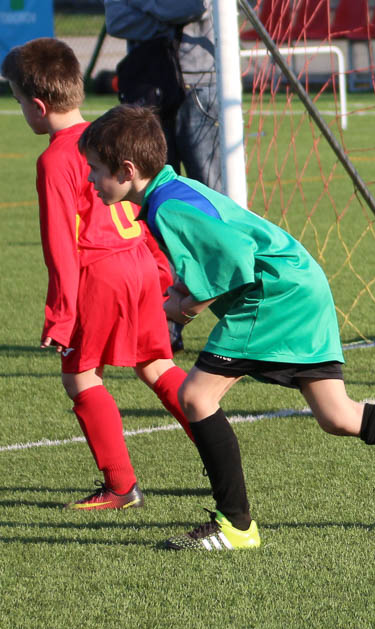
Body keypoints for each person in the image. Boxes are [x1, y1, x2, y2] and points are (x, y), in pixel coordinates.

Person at [79, 105, 375, 551]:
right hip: (300, 286)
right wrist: (181, 296)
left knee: (195, 397)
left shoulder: (168, 207)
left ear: (127, 170)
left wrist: (186, 307)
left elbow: (235, 259)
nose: (90, 178)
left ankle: (235, 525)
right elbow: (216, 251)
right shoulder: (172, 192)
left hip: (274, 297)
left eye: (96, 169)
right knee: (338, 416)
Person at [1, 38, 195, 509]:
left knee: (81, 376)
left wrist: (60, 315)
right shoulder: (108, 135)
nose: (21, 109)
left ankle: (120, 486)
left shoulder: (55, 160)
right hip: (140, 263)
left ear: (38, 106)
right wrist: (160, 268)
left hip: (100, 275)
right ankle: (219, 451)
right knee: (157, 366)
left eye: (19, 101)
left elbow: (60, 247)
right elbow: (144, 203)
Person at [105, 0, 222, 352]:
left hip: (201, 86)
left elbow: (192, 7)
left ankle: (238, 315)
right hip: (148, 84)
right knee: (154, 207)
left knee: (211, 208)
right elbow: (116, 19)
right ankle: (166, 325)